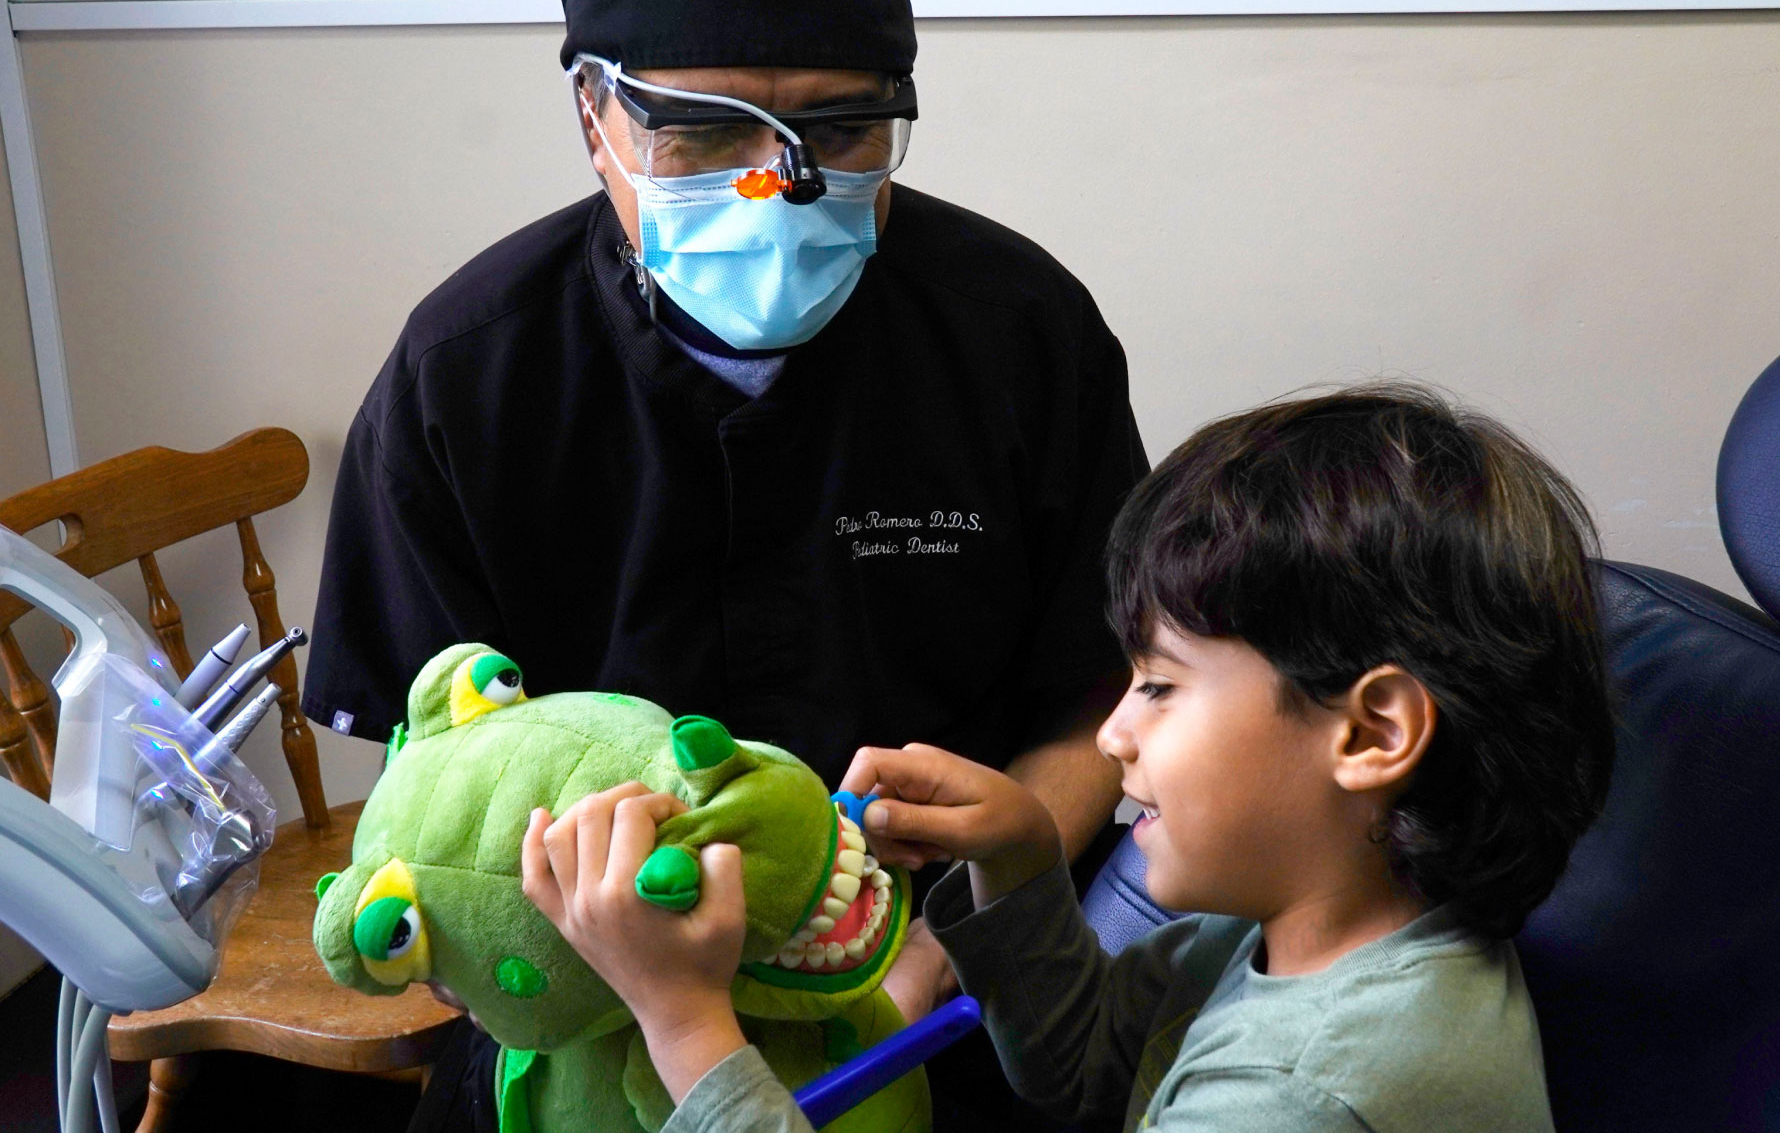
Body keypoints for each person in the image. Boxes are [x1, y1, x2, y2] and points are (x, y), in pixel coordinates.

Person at [301, 0, 1145, 1127]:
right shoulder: (466, 374)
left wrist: (928, 949)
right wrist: (620, 1000)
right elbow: (430, 781)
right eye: (703, 131)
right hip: (584, 1017)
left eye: (841, 127)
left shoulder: (1020, 333)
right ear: (597, 119)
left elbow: (1105, 697)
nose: (779, 181)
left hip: (934, 986)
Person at [521, 384, 1615, 1131]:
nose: (1113, 734)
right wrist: (1022, 863)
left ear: (1371, 732)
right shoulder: (1303, 915)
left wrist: (683, 1023)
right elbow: (1083, 1070)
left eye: (1163, 684)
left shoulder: (1307, 1090)